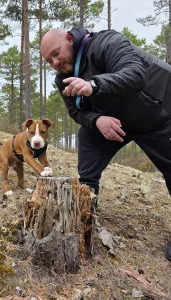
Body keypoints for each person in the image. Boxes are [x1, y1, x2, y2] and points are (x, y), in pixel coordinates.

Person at [40, 27, 171, 261]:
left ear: (70, 39)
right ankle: (86, 212)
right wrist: (97, 119)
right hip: (117, 119)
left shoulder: (105, 43)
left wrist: (94, 85)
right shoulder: (63, 79)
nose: (55, 62)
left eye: (56, 53)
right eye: (49, 60)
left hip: (161, 111)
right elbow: (76, 112)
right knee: (87, 138)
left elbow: (136, 74)